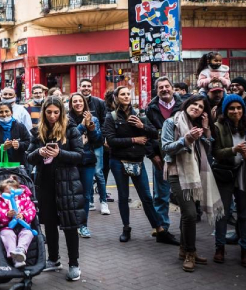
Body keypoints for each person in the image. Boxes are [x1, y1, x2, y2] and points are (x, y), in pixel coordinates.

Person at [102, 86, 178, 245]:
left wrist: (141, 126)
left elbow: (154, 133)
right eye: (122, 94)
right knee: (123, 197)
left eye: (128, 94)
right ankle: (126, 228)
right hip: (118, 162)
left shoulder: (140, 114)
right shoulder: (112, 117)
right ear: (116, 97)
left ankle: (159, 230)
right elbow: (110, 141)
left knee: (147, 197)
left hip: (137, 161)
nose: (125, 96)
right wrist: (134, 140)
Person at [26, 96, 85, 281]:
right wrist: (39, 152)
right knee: (49, 223)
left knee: (69, 224)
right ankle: (53, 259)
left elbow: (79, 156)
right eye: (49, 112)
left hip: (67, 183)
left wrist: (60, 153)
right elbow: (28, 156)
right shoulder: (38, 132)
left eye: (56, 112)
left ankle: (74, 263)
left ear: (61, 113)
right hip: (45, 183)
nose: (52, 116)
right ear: (44, 112)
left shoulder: (71, 129)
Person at [161, 96, 221, 272]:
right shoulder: (171, 122)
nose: (196, 107)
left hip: (195, 172)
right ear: (187, 104)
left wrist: (205, 130)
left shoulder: (198, 126)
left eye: (201, 106)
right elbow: (166, 147)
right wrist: (186, 140)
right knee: (190, 214)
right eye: (194, 104)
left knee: (188, 213)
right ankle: (190, 252)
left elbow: (207, 151)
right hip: (177, 172)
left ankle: (183, 249)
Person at [213, 94, 246, 268]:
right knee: (222, 214)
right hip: (225, 175)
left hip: (245, 176)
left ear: (243, 110)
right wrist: (233, 150)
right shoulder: (218, 127)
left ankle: (245, 250)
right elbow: (216, 153)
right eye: (231, 108)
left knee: (243, 215)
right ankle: (219, 247)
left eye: (239, 108)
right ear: (225, 110)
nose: (235, 111)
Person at [145, 77, 181, 236]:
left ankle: (186, 227)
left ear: (172, 88)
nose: (165, 89)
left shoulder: (183, 105)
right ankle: (162, 227)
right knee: (161, 194)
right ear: (156, 90)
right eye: (161, 87)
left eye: (167, 86)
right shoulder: (151, 108)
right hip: (161, 157)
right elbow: (147, 134)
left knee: (185, 192)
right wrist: (153, 155)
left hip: (182, 155)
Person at [68, 92, 103, 238]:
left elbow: (98, 141)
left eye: (80, 101)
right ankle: (71, 223)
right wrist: (82, 126)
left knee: (86, 195)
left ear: (84, 103)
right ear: (71, 104)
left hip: (88, 161)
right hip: (71, 161)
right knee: (71, 194)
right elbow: (71, 137)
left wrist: (91, 128)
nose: (78, 104)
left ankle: (83, 225)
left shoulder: (93, 118)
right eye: (75, 101)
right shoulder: (66, 119)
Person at [78, 79, 111, 215]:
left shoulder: (99, 102)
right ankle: (90, 200)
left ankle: (103, 202)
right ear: (79, 87)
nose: (86, 88)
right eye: (83, 86)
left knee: (98, 173)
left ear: (92, 87)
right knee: (88, 173)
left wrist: (102, 137)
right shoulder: (76, 102)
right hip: (82, 145)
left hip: (96, 143)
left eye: (88, 86)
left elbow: (104, 121)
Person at [0, 178, 36, 268]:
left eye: (14, 191)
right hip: (7, 226)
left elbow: (31, 209)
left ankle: (20, 250)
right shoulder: (0, 200)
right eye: (8, 193)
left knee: (28, 233)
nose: (11, 194)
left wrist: (23, 215)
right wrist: (6, 214)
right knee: (7, 235)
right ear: (2, 193)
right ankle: (15, 257)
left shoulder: (24, 198)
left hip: (23, 225)